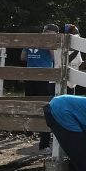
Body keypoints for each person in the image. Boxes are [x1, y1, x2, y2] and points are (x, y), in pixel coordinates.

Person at [21, 23, 59, 151]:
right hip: (44, 78)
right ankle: (44, 143)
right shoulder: (50, 42)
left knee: (29, 104)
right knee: (45, 108)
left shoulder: (32, 39)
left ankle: (30, 129)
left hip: (30, 76)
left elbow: (23, 56)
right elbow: (54, 57)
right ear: (53, 34)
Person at [63, 24, 86, 94]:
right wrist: (78, 49)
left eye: (78, 33)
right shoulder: (62, 47)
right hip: (60, 84)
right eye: (75, 33)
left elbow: (80, 66)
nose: (78, 35)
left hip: (72, 84)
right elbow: (66, 61)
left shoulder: (76, 49)